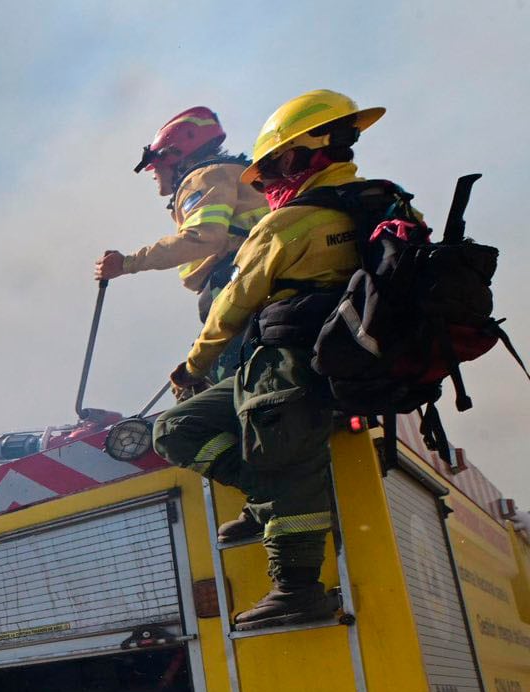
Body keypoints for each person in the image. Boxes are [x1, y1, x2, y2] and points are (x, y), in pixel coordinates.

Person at [151, 90, 389, 629]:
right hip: (363, 356)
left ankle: (296, 585)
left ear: (297, 154)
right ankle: (266, 503)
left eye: (273, 165)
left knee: (271, 455)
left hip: (292, 359)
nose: (265, 181)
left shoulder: (288, 223)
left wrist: (191, 368)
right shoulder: (388, 203)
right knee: (255, 443)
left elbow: (232, 304)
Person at [96, 106, 268, 340]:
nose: (153, 172)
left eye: (155, 164)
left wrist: (127, 263)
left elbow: (203, 238)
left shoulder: (202, 178)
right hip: (257, 271)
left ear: (173, 155)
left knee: (219, 369)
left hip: (240, 279)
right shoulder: (230, 172)